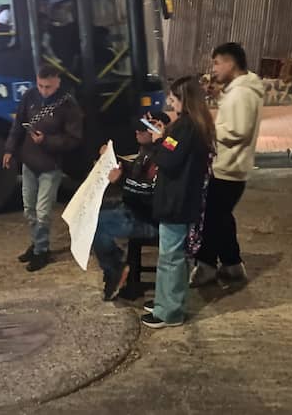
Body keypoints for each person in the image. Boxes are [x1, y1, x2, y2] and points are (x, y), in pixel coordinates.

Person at [140, 76, 215, 329]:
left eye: (173, 98)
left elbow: (169, 159)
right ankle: (166, 301)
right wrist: (164, 137)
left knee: (170, 257)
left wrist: (157, 141)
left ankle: (169, 312)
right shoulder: (193, 124)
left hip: (176, 200)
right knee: (173, 256)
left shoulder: (186, 127)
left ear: (185, 99)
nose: (170, 103)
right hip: (182, 198)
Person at [190, 42, 264, 286]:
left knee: (210, 220)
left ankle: (206, 266)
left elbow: (238, 130)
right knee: (221, 218)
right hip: (232, 166)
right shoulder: (240, 90)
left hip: (228, 167)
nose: (214, 68)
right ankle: (232, 265)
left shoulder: (242, 93)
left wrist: (206, 129)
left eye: (217, 63)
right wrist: (220, 97)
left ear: (231, 63)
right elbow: (235, 117)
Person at [3, 66, 84, 272]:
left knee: (42, 211)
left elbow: (74, 139)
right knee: (29, 209)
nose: (43, 91)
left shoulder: (68, 104)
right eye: (40, 85)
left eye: (48, 87)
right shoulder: (30, 96)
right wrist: (10, 149)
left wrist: (46, 141)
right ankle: (36, 244)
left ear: (58, 82)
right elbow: (18, 124)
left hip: (51, 165)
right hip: (29, 162)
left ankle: (42, 251)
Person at [92, 111, 171, 300]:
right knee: (94, 215)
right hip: (137, 210)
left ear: (156, 130)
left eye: (142, 129)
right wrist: (112, 160)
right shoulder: (148, 150)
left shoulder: (163, 154)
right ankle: (116, 267)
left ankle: (115, 270)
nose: (137, 131)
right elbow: (136, 174)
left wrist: (121, 180)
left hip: (151, 219)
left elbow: (150, 190)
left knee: (97, 224)